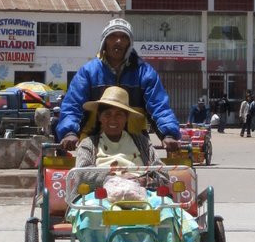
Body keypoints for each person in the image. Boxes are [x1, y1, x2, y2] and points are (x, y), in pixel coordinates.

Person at [73, 86, 167, 242]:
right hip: (101, 196)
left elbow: (161, 172)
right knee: (93, 214)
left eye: (118, 114)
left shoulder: (142, 143)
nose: (113, 119)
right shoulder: (89, 144)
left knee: (160, 212)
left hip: (140, 194)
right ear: (100, 118)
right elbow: (81, 173)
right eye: (108, 114)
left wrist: (145, 180)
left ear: (126, 119)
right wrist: (111, 179)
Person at [56, 17, 180, 153]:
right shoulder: (88, 72)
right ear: (104, 41)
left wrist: (168, 134)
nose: (118, 41)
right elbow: (72, 106)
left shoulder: (145, 73)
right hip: (93, 145)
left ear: (129, 43)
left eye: (123, 37)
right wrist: (69, 132)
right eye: (113, 36)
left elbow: (159, 107)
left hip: (136, 145)